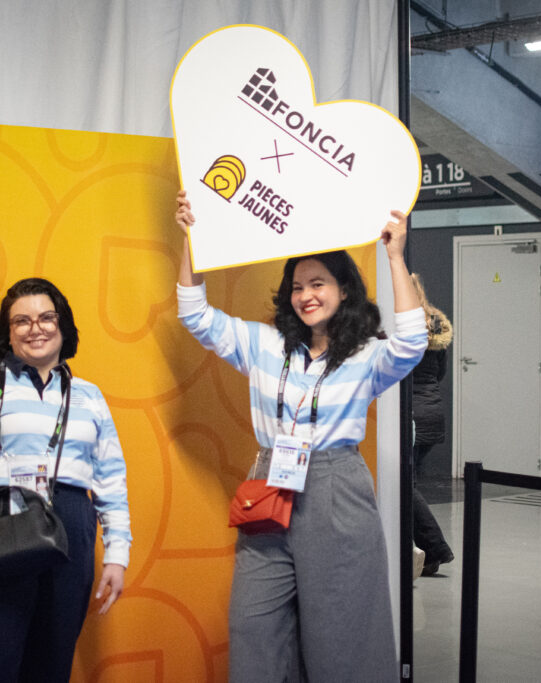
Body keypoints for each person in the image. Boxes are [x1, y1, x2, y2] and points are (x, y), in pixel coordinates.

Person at [175, 190, 427, 681]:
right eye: (297, 287)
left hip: (336, 486)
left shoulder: (366, 356)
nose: (306, 295)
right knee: (253, 624)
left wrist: (395, 257)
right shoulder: (265, 345)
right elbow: (194, 313)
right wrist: (192, 238)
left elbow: (414, 341)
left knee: (339, 633)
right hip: (270, 481)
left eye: (318, 284)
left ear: (344, 290)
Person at [0, 277, 132, 683]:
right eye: (21, 321)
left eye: (46, 317)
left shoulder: (89, 396)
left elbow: (111, 479)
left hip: (72, 525)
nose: (35, 328)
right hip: (2, 523)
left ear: (62, 325)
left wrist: (117, 553)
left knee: (52, 663)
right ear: (8, 333)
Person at [409, 273, 455, 576]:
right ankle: (426, 555)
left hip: (410, 413)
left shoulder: (402, 327)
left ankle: (434, 550)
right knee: (408, 481)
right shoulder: (435, 324)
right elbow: (439, 374)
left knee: (405, 484)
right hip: (432, 411)